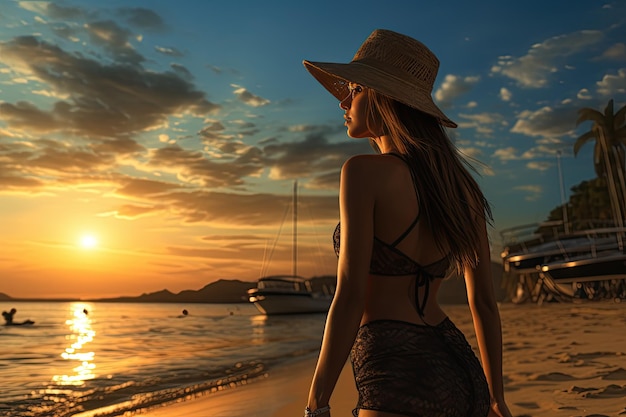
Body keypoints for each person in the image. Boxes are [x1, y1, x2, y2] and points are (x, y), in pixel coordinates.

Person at [302, 29, 512, 417]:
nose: (344, 102)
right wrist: (496, 397)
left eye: (355, 90)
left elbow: (349, 296)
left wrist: (317, 402)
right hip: (462, 372)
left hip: (396, 371)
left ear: (383, 98)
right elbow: (483, 301)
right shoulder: (460, 189)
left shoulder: (363, 173)